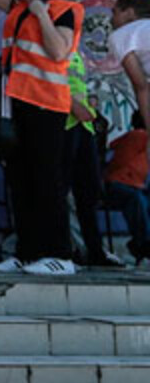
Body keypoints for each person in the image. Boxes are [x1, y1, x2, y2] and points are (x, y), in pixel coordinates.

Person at [0, 0, 84, 276]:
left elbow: (58, 51)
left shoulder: (65, 9)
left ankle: (60, 254)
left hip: (46, 102)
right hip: (14, 102)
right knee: (20, 180)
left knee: (46, 179)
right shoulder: (17, 8)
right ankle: (27, 252)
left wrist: (42, 9)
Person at [61, 43, 125, 267]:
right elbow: (49, 81)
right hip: (64, 123)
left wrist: (89, 106)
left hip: (83, 125)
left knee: (88, 194)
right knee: (62, 194)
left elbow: (78, 84)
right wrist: (72, 104)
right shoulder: (55, 42)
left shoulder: (76, 52)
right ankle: (68, 251)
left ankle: (95, 251)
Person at [103, 111, 149, 264]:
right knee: (135, 199)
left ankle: (139, 244)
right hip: (117, 186)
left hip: (131, 186)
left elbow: (112, 144)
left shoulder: (130, 137)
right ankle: (144, 245)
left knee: (140, 198)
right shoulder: (140, 136)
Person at [110, 0, 150, 135]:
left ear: (129, 12)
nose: (111, 19)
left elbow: (141, 86)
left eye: (115, 13)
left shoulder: (124, 33)